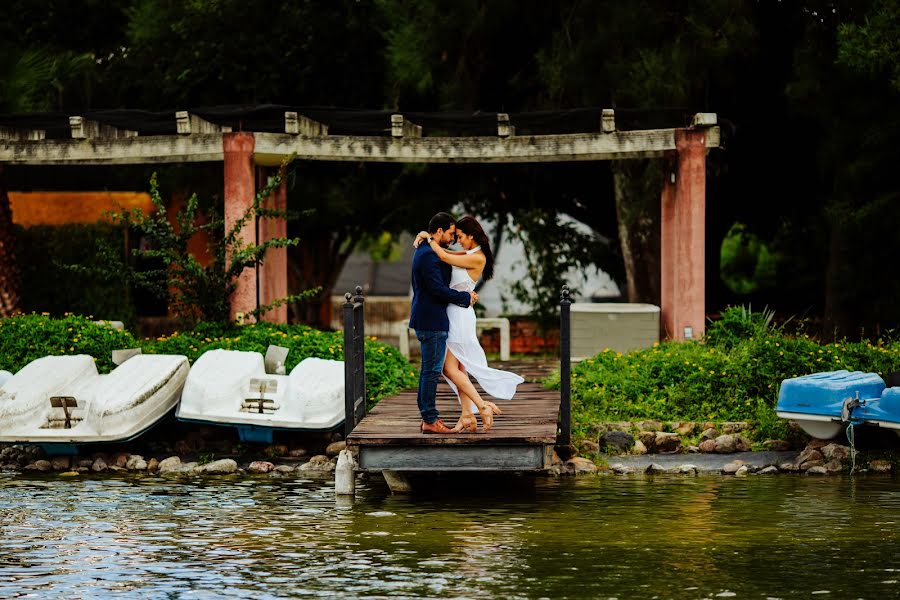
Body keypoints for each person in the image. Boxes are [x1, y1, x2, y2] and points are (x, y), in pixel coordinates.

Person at [414, 215, 524, 432]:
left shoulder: (478, 258)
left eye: (461, 236)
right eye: (455, 235)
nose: (458, 240)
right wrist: (427, 236)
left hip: (459, 315)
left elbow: (444, 257)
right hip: (454, 312)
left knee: (449, 368)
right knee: (458, 367)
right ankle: (467, 414)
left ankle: (481, 406)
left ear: (472, 236)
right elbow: (449, 253)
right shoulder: (469, 253)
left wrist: (429, 238)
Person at [409, 212, 478, 434]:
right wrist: (465, 298)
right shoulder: (428, 254)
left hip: (429, 318)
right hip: (432, 320)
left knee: (428, 370)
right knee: (431, 371)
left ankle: (427, 417)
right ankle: (430, 420)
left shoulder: (428, 249)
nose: (452, 237)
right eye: (450, 233)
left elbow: (451, 257)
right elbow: (436, 289)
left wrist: (424, 236)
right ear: (439, 231)